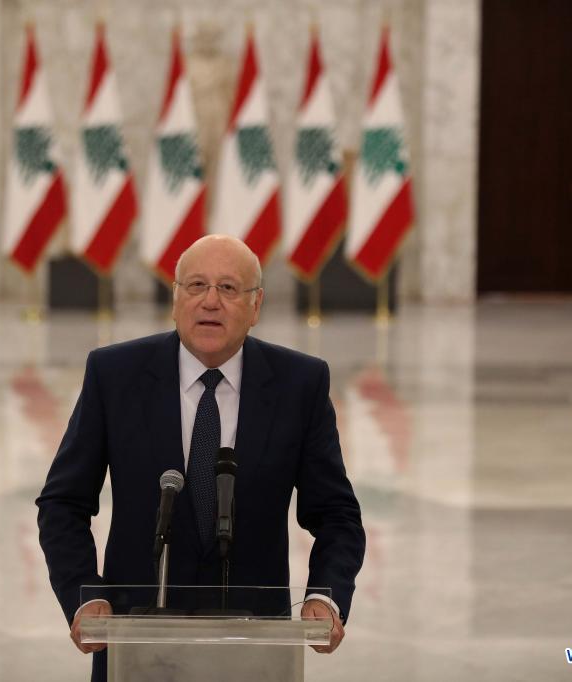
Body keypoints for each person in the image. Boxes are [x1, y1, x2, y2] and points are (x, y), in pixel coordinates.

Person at [36, 235, 365, 681]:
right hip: (138, 643)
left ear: (256, 305)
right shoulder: (114, 376)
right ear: (175, 299)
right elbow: (63, 503)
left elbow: (336, 514)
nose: (210, 301)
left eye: (229, 288)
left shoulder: (300, 384)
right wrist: (85, 593)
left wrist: (324, 596)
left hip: (253, 648)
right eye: (196, 286)